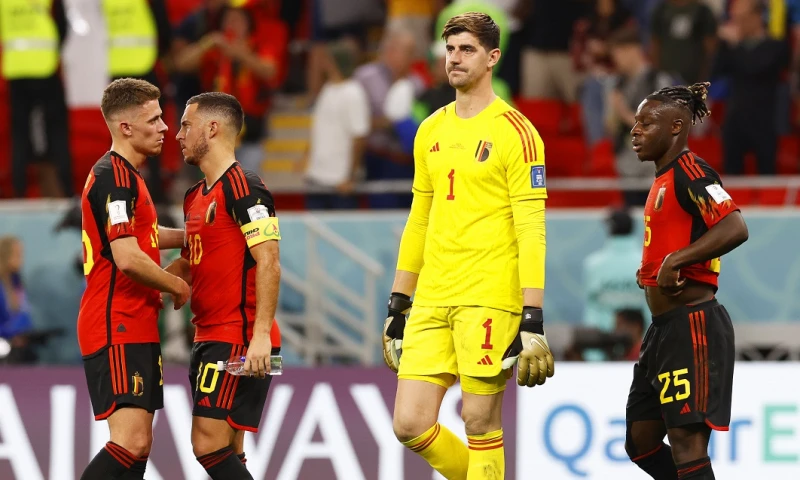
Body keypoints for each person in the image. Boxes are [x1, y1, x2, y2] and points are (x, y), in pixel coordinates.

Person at [382, 12, 554, 479]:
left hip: (489, 297)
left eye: (467, 49)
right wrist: (400, 301)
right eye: (450, 49)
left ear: (493, 57)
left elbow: (531, 228)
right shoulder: (431, 129)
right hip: (433, 298)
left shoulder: (517, 133)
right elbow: (419, 219)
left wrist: (532, 314)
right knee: (409, 424)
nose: (454, 58)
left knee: (478, 420)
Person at [625, 82, 749, 480]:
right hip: (661, 330)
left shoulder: (691, 171)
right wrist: (651, 271)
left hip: (692, 324)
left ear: (676, 127)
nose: (635, 130)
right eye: (635, 122)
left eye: (646, 122)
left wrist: (677, 259)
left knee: (687, 444)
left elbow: (734, 225)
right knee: (640, 440)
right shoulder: (663, 178)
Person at [78, 78, 190, 480]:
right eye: (154, 119)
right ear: (125, 127)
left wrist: (200, 235)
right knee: (131, 442)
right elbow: (127, 258)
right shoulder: (115, 178)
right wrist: (175, 284)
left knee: (139, 447)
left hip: (134, 320)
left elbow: (146, 238)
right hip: (115, 320)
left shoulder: (126, 178)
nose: (165, 127)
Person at [169, 92, 282, 480]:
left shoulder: (244, 186)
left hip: (238, 335)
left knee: (207, 443)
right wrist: (159, 284)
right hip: (208, 334)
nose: (178, 134)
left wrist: (262, 335)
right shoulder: (193, 197)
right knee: (230, 449)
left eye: (186, 125)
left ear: (212, 129)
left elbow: (268, 258)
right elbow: (191, 260)